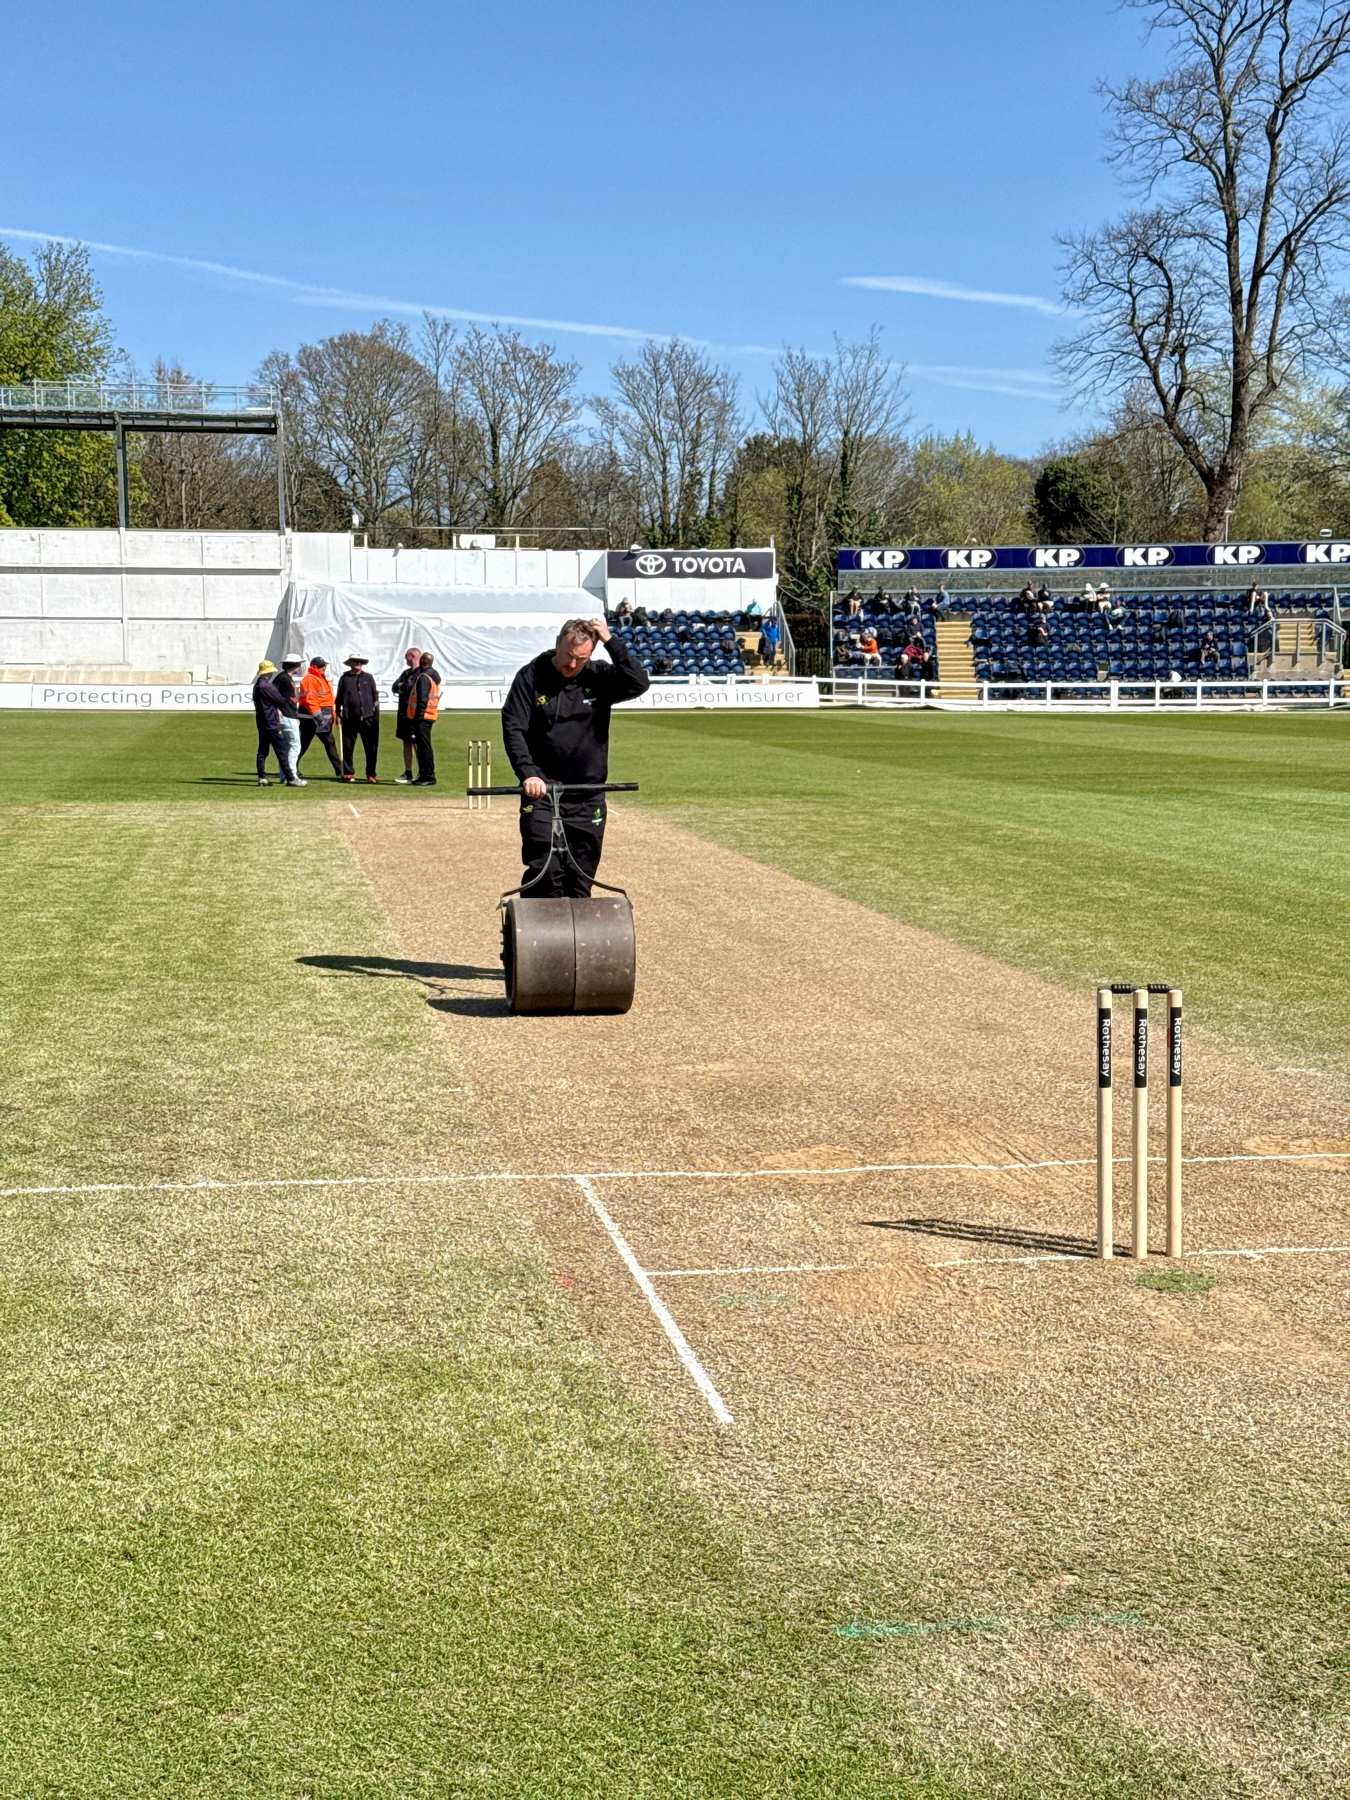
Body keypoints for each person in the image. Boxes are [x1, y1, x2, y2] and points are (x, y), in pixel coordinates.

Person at [501, 616, 649, 899]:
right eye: (568, 655)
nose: (572, 665)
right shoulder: (531, 676)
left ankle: (579, 941)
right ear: (558, 644)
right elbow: (513, 727)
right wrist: (527, 772)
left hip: (587, 794)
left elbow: (638, 683)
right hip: (543, 792)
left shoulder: (598, 675)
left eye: (581, 658)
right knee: (545, 873)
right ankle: (538, 939)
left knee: (581, 878)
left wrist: (610, 641)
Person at [252, 660, 302, 787]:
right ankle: (290, 778)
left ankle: (261, 776)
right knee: (282, 750)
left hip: (261, 721)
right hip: (272, 722)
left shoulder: (257, 686)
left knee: (263, 751)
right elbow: (281, 701)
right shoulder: (267, 686)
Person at [336, 653, 380, 782]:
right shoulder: (345, 678)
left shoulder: (368, 678)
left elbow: (375, 697)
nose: (358, 663)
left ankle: (371, 773)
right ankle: (348, 772)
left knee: (371, 748)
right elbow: (339, 698)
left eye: (360, 662)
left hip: (368, 718)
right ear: (350, 663)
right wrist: (338, 714)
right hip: (350, 718)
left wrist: (376, 715)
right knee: (347, 747)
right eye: (355, 661)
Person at [296, 656, 343, 778]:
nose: (324, 668)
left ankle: (340, 770)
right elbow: (310, 699)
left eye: (325, 666)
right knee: (309, 743)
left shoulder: (319, 678)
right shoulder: (310, 679)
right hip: (312, 717)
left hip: (316, 716)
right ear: (314, 666)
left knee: (306, 744)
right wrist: (319, 717)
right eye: (322, 666)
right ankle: (340, 770)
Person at [406, 650, 440, 785]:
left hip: (423, 717)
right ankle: (425, 774)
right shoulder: (432, 676)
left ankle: (428, 776)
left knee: (424, 748)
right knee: (424, 747)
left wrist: (417, 719)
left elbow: (422, 700)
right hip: (428, 716)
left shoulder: (424, 677)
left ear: (422, 662)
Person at [392, 646, 422, 784]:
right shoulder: (405, 673)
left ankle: (422, 772)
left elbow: (408, 688)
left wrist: (402, 686)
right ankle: (408, 772)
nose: (405, 659)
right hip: (403, 713)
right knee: (406, 742)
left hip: (414, 714)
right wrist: (402, 686)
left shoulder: (420, 673)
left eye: (406, 656)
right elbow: (395, 687)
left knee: (416, 743)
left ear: (412, 656)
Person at [275, 655, 304, 775]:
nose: (300, 666)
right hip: (287, 716)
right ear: (294, 665)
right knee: (295, 746)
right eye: (298, 664)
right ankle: (291, 774)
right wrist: (277, 709)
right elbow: (272, 693)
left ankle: (284, 774)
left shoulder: (287, 677)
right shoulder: (282, 678)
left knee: (287, 748)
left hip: (290, 715)